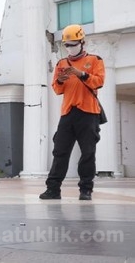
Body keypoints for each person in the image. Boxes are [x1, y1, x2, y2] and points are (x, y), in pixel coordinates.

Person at [40, 24, 105, 201]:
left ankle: (86, 190)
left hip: (89, 113)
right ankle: (53, 189)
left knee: (88, 153)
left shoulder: (95, 60)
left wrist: (80, 73)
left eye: (73, 44)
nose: (70, 47)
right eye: (67, 45)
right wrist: (60, 80)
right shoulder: (61, 64)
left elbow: (98, 82)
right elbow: (57, 89)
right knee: (60, 151)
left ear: (82, 42)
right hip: (68, 113)